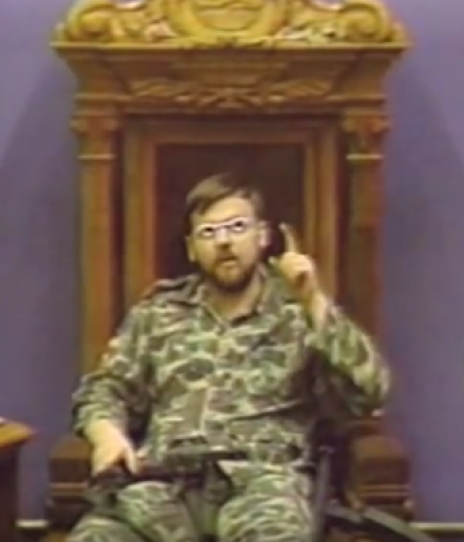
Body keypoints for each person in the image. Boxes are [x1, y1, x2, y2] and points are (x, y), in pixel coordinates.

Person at [67, 173, 391, 542]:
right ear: (191, 248)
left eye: (237, 227)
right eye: (208, 232)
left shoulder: (298, 312)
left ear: (262, 236)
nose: (223, 242)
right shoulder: (158, 313)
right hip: (162, 485)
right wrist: (107, 436)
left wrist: (314, 300)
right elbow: (105, 389)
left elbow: (369, 391)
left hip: (261, 485)